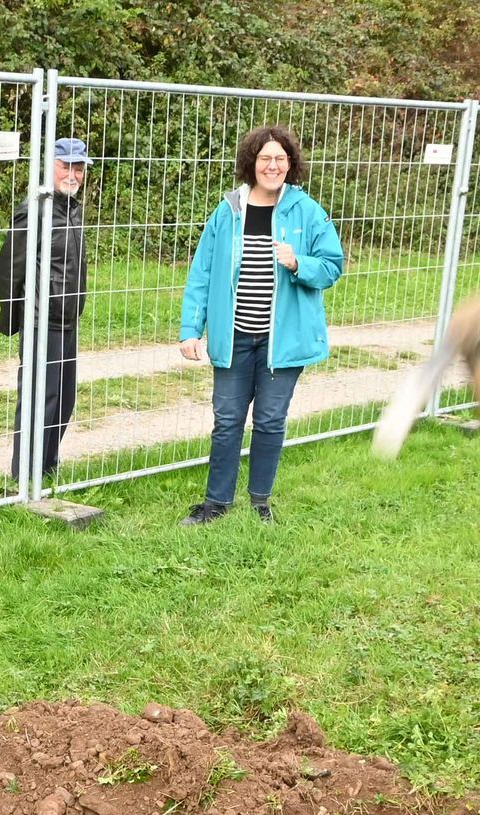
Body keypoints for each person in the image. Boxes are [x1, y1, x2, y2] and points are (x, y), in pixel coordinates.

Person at [177, 124, 344, 525]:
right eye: (265, 158)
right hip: (234, 338)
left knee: (269, 421)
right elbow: (202, 272)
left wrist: (299, 263)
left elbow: (332, 266)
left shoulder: (307, 211)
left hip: (281, 342)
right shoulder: (228, 211)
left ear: (291, 164)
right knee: (227, 421)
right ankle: (216, 503)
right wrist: (191, 328)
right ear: (251, 163)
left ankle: (259, 503)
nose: (273, 166)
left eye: (280, 159)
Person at [0, 137, 88, 484]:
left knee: (63, 400)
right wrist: (14, 316)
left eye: (79, 168)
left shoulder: (72, 208)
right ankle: (24, 477)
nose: (72, 174)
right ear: (50, 167)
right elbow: (9, 267)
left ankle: (46, 469)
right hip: (41, 319)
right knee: (39, 399)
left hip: (67, 319)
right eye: (66, 166)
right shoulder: (34, 209)